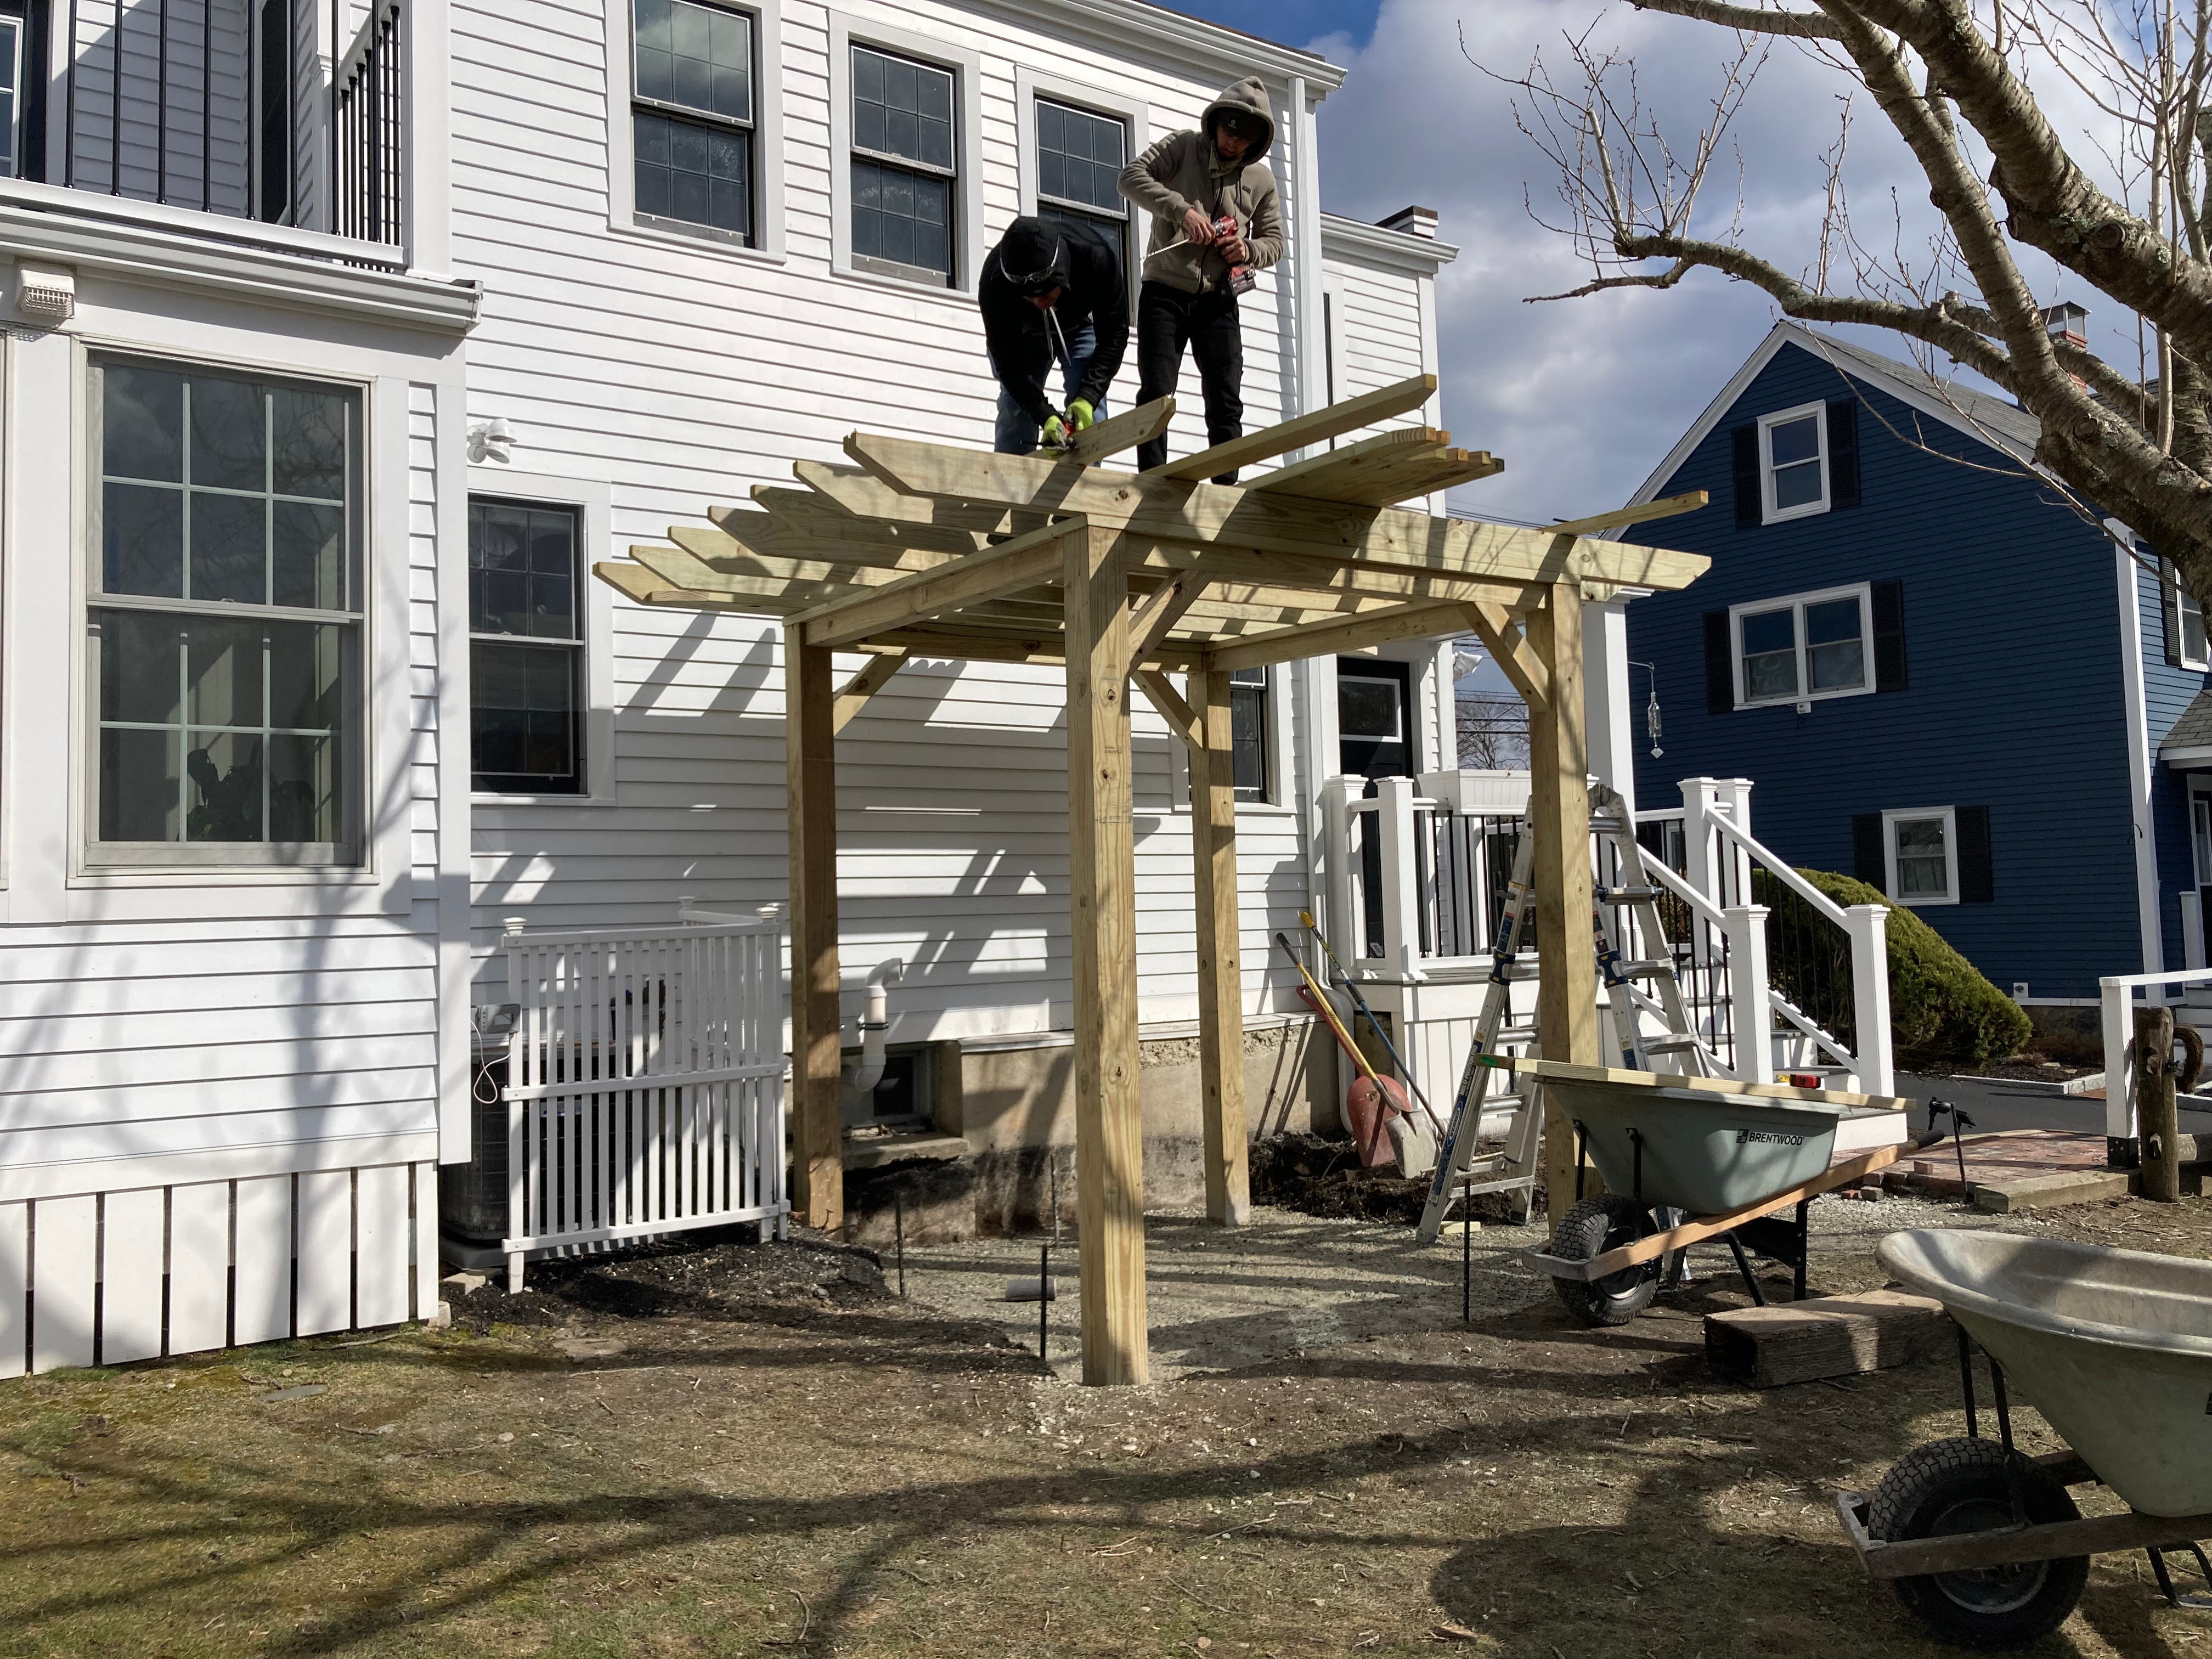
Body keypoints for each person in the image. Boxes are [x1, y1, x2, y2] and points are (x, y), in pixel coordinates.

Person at [1118, 76, 1284, 482]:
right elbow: (1130, 178)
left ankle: (1226, 487)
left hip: (1219, 298)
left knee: (1226, 397)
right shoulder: (1182, 147)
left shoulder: (1261, 181)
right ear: (1216, 123)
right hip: (1164, 290)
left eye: (1243, 138)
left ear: (1256, 142)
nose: (1231, 143)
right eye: (1228, 130)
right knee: (1157, 391)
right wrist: (1181, 211)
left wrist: (1246, 250)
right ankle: (1152, 482)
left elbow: (1275, 242)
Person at [978, 215, 1128, 454]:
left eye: (1047, 291)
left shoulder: (1096, 256)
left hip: (1080, 325)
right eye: (1029, 296)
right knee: (1014, 407)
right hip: (1025, 338)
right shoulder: (994, 283)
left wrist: (1088, 397)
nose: (1039, 302)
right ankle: (1012, 478)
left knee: (1091, 405)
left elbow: (1114, 336)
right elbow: (1009, 368)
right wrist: (1045, 415)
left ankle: (1085, 479)